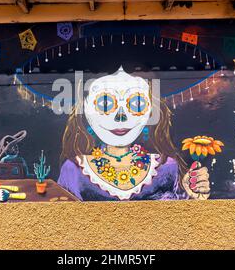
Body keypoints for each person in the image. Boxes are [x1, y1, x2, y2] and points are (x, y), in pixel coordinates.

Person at [58, 67, 210, 201]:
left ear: (150, 109)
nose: (121, 117)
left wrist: (193, 196)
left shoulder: (166, 167)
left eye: (136, 104)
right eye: (105, 103)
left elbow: (180, 222)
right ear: (86, 108)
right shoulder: (74, 169)